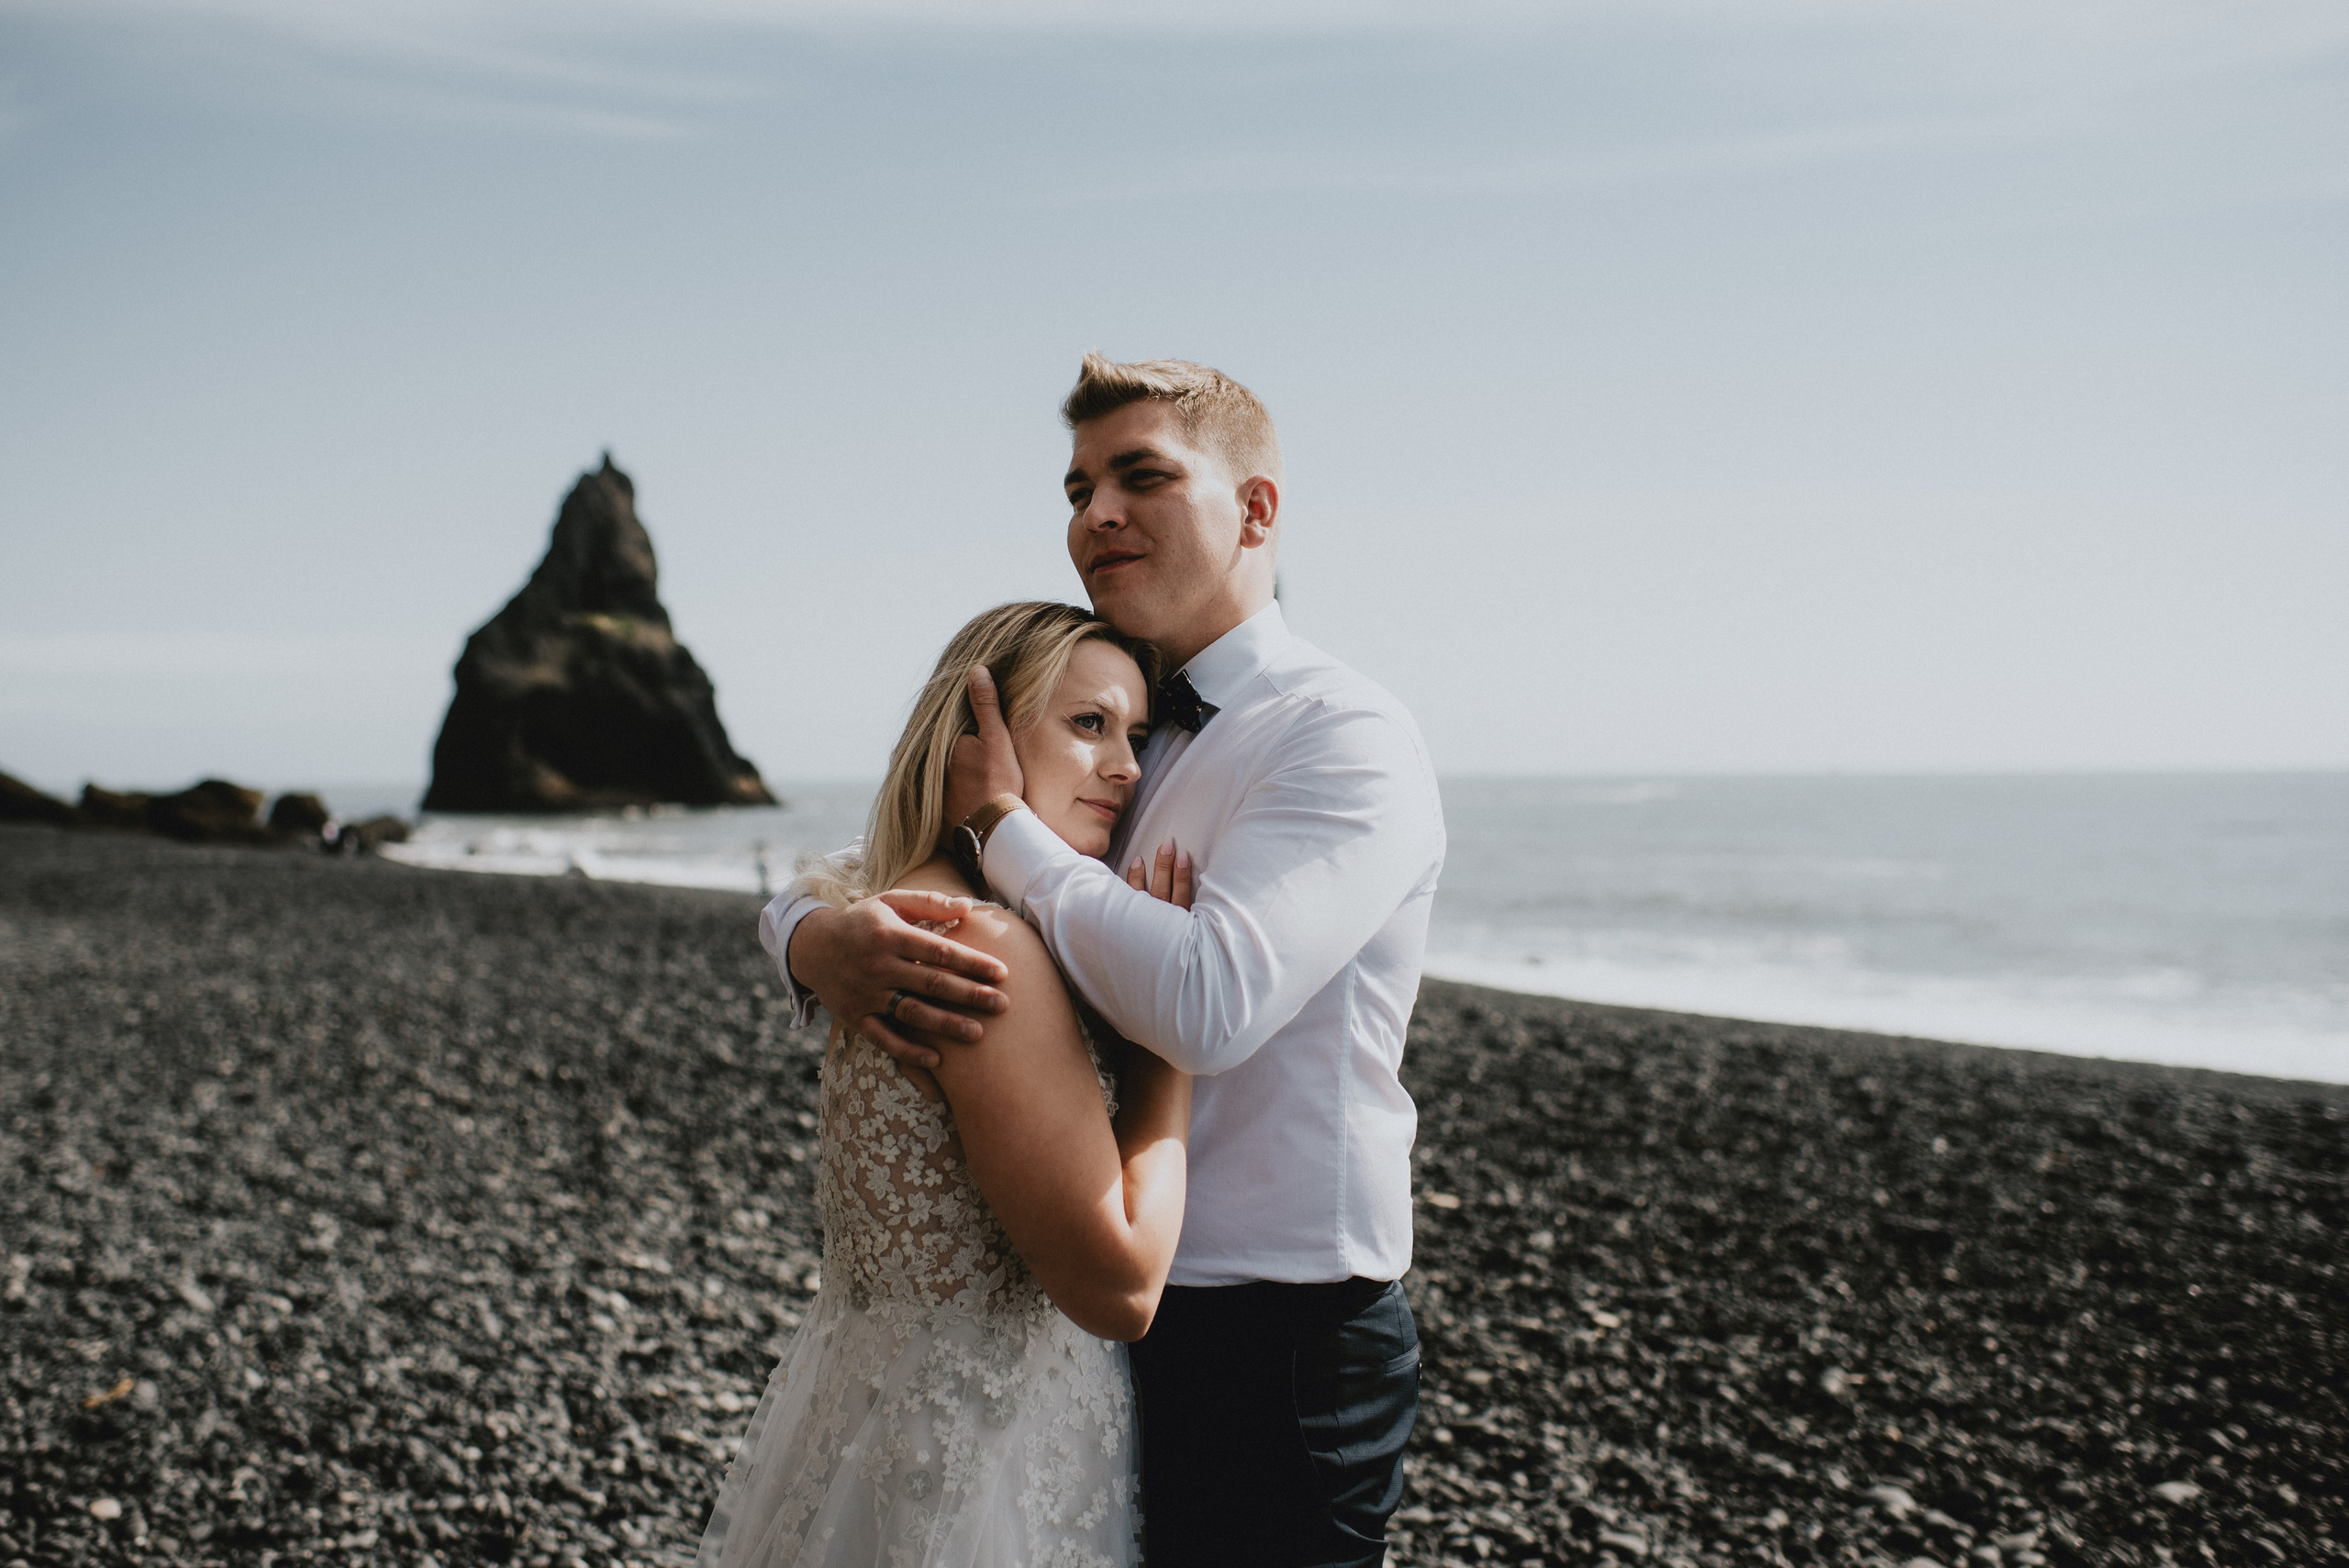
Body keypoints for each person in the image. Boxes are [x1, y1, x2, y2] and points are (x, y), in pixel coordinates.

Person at [771, 354, 1446, 1567]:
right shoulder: (1118, 715)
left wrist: (1003, 832)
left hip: (1276, 1334)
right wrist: (811, 936)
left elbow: (1203, 1001)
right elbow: (872, 860)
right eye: (1079, 486)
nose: (1095, 515)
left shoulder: (1342, 735)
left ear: (1255, 510)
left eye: (1141, 478)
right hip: (1097, 1300)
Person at [696, 601, 1197, 1568]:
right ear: (980, 741)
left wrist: (800, 929)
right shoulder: (982, 947)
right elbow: (1122, 1284)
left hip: (874, 1414)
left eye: (1135, 735)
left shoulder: (886, 909)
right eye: (1088, 724)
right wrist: (1168, 1044)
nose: (1129, 767)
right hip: (982, 1456)